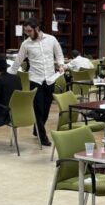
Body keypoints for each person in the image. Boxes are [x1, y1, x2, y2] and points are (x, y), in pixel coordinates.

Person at [8, 18, 64, 147]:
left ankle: (37, 129)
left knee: (46, 108)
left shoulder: (51, 39)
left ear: (37, 28)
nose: (27, 33)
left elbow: (59, 54)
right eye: (25, 31)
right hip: (35, 80)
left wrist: (61, 65)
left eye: (29, 31)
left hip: (50, 79)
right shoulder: (26, 44)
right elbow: (18, 61)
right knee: (38, 109)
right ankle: (42, 136)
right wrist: (8, 73)